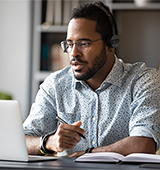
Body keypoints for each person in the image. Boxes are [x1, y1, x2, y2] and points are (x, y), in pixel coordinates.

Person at [23, 1, 160, 157]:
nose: (74, 53)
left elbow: (143, 143)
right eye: (69, 44)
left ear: (111, 43)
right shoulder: (55, 85)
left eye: (84, 43)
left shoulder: (143, 80)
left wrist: (87, 154)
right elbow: (22, 140)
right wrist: (49, 142)